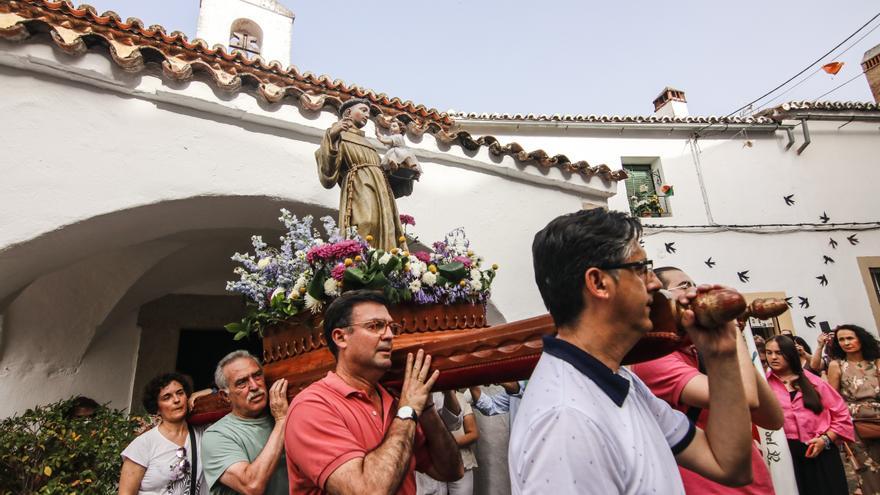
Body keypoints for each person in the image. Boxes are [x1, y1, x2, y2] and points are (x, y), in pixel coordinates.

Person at [510, 208, 754, 494]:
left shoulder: (620, 380)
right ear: (599, 283)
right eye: (640, 269)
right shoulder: (565, 419)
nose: (654, 283)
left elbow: (728, 465)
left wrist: (721, 355)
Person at [284, 290, 464, 494]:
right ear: (341, 337)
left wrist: (427, 408)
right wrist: (408, 410)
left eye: (390, 327)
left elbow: (451, 471)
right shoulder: (311, 407)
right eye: (375, 326)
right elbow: (368, 491)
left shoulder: (393, 399)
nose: (389, 335)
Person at [630, 266, 784, 495]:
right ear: (661, 302)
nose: (696, 292)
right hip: (707, 487)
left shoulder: (704, 350)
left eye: (694, 284)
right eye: (684, 286)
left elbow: (772, 419)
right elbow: (747, 399)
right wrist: (731, 335)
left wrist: (729, 342)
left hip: (753, 485)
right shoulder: (654, 361)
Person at [765, 335, 854, 495]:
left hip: (820, 452)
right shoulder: (763, 385)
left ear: (790, 354)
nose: (773, 357)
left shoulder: (814, 382)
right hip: (784, 456)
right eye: (769, 352)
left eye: (779, 353)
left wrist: (825, 439)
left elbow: (842, 415)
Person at [315, 98, 407, 251]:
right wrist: (331, 137)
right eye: (363, 110)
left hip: (381, 193)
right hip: (359, 186)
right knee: (365, 222)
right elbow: (328, 175)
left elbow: (380, 171)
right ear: (349, 112)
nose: (366, 115)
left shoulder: (369, 144)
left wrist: (393, 169)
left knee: (386, 227)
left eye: (368, 112)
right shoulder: (337, 135)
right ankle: (361, 260)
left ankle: (382, 261)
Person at [201, 351, 289, 494]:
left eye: (257, 375)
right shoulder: (216, 436)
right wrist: (281, 421)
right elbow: (251, 486)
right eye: (242, 383)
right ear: (225, 397)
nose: (254, 386)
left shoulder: (282, 414)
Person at [120, 373, 207, 495]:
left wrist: (198, 395)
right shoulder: (143, 444)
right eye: (167, 397)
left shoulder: (201, 433)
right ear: (157, 408)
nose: (176, 400)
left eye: (180, 393)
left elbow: (228, 395)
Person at [827, 324, 880, 494]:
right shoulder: (837, 365)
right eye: (841, 339)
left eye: (850, 338)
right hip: (855, 426)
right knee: (867, 472)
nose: (845, 342)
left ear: (861, 339)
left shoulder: (876, 362)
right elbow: (833, 400)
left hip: (879, 418)